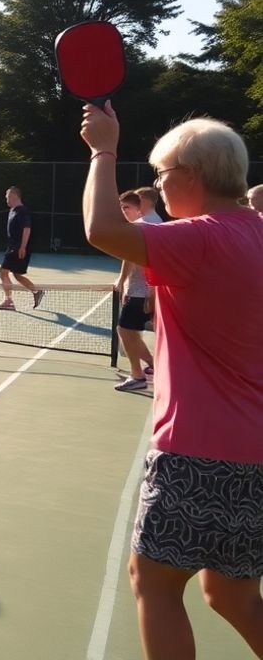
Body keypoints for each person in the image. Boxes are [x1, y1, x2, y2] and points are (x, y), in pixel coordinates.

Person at [81, 102, 263, 659]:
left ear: (194, 175)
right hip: (257, 456)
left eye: (162, 175)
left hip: (196, 452)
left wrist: (103, 149)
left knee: (154, 584)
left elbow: (102, 228)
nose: (158, 188)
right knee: (231, 593)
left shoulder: (199, 240)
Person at [112, 191, 155, 392]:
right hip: (140, 291)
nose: (123, 212)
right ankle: (152, 365)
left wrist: (150, 292)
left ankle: (137, 376)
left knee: (125, 330)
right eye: (121, 208)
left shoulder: (139, 227)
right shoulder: (151, 223)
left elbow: (132, 259)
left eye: (126, 208)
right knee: (132, 332)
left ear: (139, 208)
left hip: (141, 293)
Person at [0, 186, 44, 310]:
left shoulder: (22, 211)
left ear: (15, 195)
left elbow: (27, 229)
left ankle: (8, 301)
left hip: (18, 248)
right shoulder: (12, 210)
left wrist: (22, 247)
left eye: (8, 197)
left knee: (3, 271)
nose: (6, 200)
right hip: (12, 247)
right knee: (17, 274)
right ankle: (37, 292)